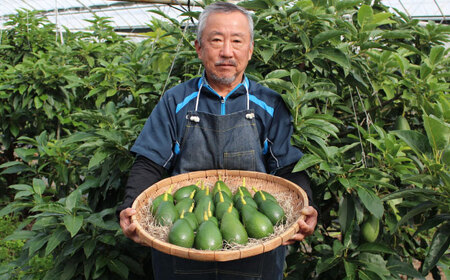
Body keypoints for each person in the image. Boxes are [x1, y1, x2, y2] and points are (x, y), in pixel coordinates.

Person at [118, 2, 318, 279]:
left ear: (250, 50)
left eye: (237, 41)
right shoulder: (175, 101)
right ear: (199, 48)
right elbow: (150, 161)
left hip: (256, 251)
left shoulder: (270, 104)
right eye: (216, 41)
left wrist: (306, 207)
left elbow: (288, 166)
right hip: (182, 247)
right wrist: (130, 206)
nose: (227, 51)